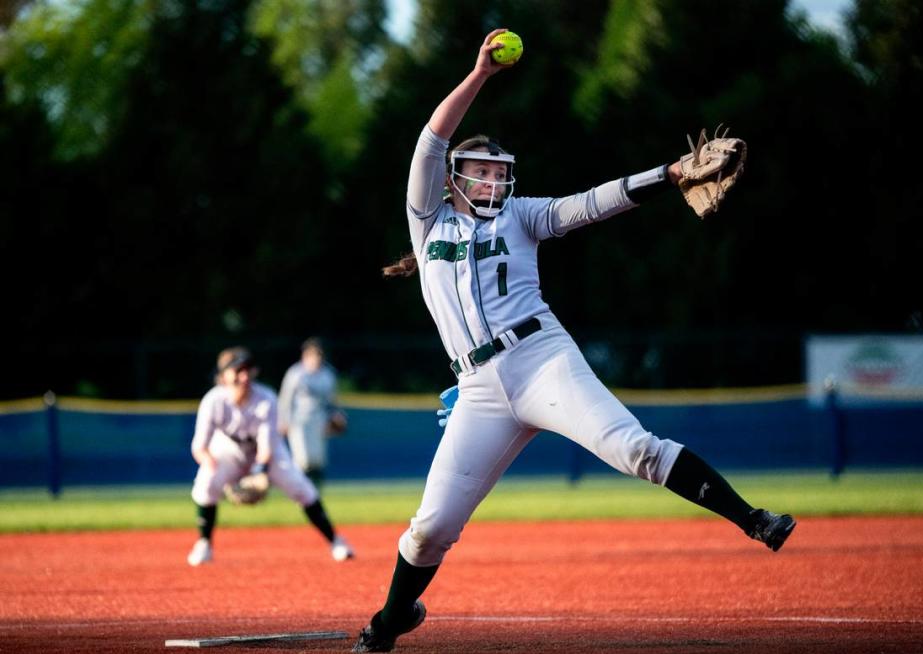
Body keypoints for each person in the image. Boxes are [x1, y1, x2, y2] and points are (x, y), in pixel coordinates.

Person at [352, 29, 795, 653]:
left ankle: (754, 519)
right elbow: (431, 137)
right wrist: (480, 72)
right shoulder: (428, 222)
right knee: (429, 531)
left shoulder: (521, 214)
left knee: (634, 449)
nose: (491, 181)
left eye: (498, 173)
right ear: (453, 180)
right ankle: (390, 623)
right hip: (477, 388)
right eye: (479, 172)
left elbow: (591, 204)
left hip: (541, 360)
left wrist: (669, 174)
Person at [186, 346, 354, 566]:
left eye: (247, 370)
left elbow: (265, 447)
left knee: (303, 489)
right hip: (227, 449)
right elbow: (199, 447)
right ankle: (204, 544)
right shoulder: (213, 401)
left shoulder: (265, 398)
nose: (244, 376)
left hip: (268, 453)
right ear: (223, 376)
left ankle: (337, 542)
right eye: (237, 371)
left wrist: (259, 473)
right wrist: (214, 468)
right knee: (205, 483)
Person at [278, 337, 348, 487]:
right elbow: (285, 399)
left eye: (319, 355)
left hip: (319, 420)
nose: (317, 358)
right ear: (305, 355)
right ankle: (300, 491)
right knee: (303, 460)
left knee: (317, 460)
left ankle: (314, 493)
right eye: (313, 354)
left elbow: (331, 401)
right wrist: (283, 420)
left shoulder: (327, 374)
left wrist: (337, 415)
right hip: (299, 420)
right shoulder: (296, 373)